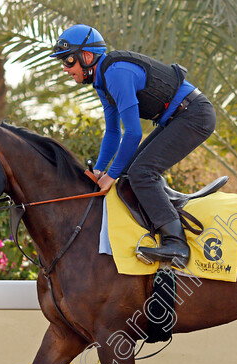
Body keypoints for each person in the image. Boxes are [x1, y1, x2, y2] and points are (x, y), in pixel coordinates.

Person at [50, 24, 217, 266]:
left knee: (141, 172)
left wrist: (111, 176)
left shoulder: (116, 74)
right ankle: (154, 232)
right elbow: (113, 132)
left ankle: (177, 245)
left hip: (194, 114)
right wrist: (98, 170)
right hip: (178, 116)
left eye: (67, 61)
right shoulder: (102, 82)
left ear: (86, 57)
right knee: (130, 173)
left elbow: (133, 134)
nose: (65, 69)